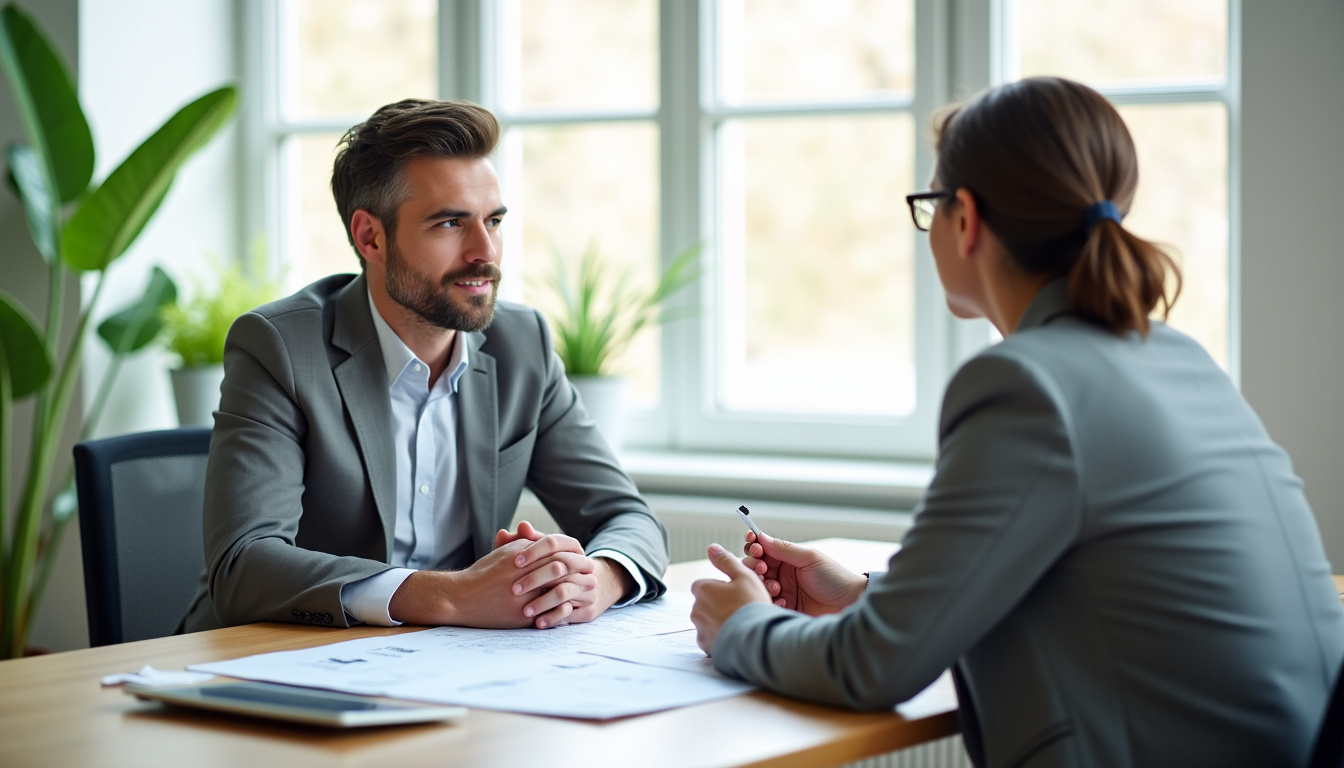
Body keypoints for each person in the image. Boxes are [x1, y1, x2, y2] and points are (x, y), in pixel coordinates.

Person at [689, 77, 1344, 767]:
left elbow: (872, 669)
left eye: (930, 206)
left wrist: (741, 625)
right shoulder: (1177, 357)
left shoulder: (1024, 385)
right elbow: (1083, 584)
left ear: (965, 218)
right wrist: (860, 597)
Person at [181, 98, 668, 634]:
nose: (486, 251)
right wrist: (452, 597)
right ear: (371, 237)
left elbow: (628, 518)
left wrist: (594, 581)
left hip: (450, 666)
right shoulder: (280, 348)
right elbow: (243, 567)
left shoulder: (521, 344)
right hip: (271, 665)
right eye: (450, 223)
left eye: (494, 220)